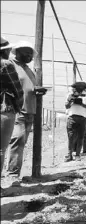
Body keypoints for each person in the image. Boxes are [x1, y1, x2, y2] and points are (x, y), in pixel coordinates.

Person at [6, 41, 47, 187]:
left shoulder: (29, 70)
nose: (29, 56)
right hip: (18, 110)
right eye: (26, 53)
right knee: (17, 141)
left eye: (30, 54)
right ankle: (12, 174)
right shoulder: (11, 65)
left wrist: (37, 90)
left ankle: (15, 172)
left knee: (21, 143)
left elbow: (30, 87)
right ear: (17, 52)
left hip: (30, 110)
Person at [1, 37, 24, 195]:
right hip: (3, 109)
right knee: (0, 149)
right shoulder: (5, 64)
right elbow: (17, 90)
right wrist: (18, 107)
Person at [64, 81, 86, 162]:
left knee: (80, 137)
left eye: (81, 88)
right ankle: (69, 155)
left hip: (83, 118)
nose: (79, 89)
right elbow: (66, 106)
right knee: (71, 137)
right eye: (77, 88)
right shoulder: (70, 95)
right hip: (71, 118)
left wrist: (82, 104)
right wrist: (71, 101)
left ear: (84, 89)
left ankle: (77, 155)